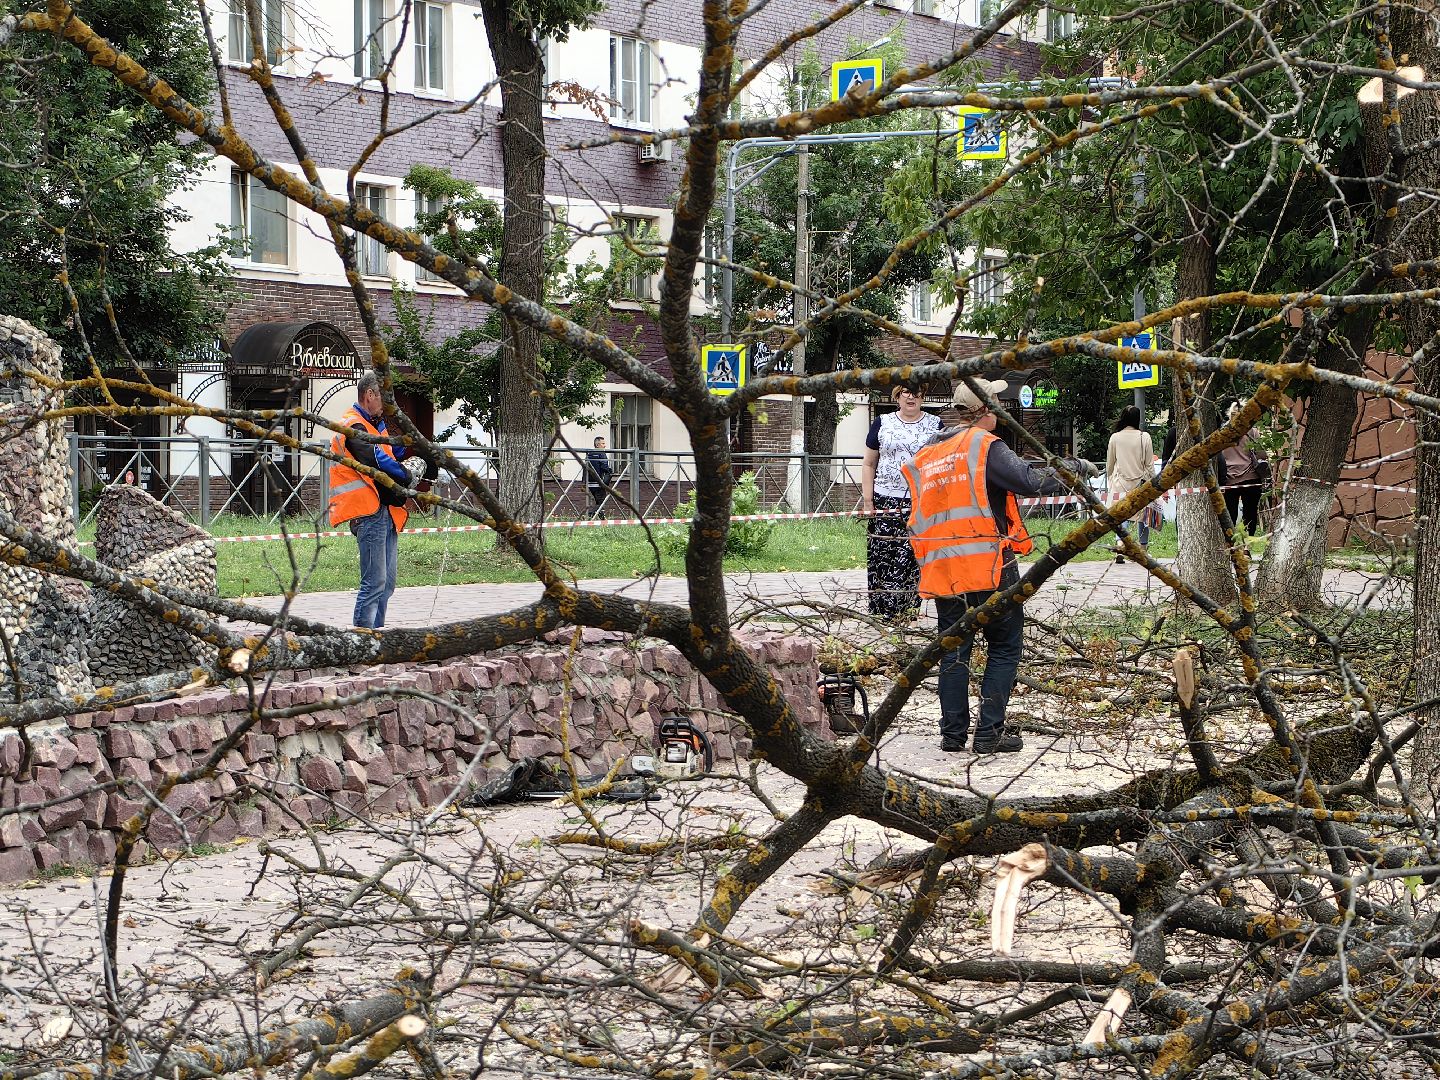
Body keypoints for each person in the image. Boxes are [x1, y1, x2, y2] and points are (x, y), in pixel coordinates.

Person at [904, 379, 1082, 754]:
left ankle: (952, 735)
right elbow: (1031, 481)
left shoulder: (930, 451)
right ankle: (988, 734)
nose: (1002, 406)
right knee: (1004, 646)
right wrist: (1073, 467)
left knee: (953, 650)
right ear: (986, 408)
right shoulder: (983, 445)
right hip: (989, 565)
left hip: (944, 567)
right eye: (997, 400)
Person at [328, 370, 421, 629]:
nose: (389, 403)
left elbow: (396, 451)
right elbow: (375, 458)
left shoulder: (375, 424)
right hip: (367, 512)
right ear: (370, 394)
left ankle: (377, 637)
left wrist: (409, 437)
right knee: (374, 583)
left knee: (387, 584)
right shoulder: (352, 425)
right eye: (385, 397)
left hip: (385, 511)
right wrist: (405, 475)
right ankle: (362, 640)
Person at [861, 386, 942, 621]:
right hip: (884, 499)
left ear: (923, 397)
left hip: (921, 501)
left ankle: (907, 610)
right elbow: (868, 463)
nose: (911, 397)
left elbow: (941, 464)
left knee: (912, 556)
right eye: (906, 392)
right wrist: (868, 500)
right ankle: (884, 611)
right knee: (884, 554)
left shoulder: (936, 425)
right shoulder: (882, 423)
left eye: (917, 393)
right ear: (897, 395)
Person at [1105, 404, 1158, 559]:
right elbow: (1149, 465)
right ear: (1138, 419)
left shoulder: (1115, 437)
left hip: (1119, 483)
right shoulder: (1144, 437)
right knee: (1143, 516)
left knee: (1121, 514)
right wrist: (1155, 482)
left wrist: (1110, 478)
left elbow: (1110, 464)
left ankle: (1120, 545)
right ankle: (1142, 549)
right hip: (1140, 482)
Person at [1217, 401, 1269, 536]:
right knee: (1250, 514)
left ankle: (1230, 542)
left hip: (1228, 479)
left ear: (1230, 414)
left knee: (1230, 514)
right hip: (1251, 478)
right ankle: (1247, 543)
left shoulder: (1222, 432)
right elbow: (1261, 455)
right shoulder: (1252, 432)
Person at [585, 436, 614, 517]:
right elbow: (604, 467)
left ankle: (602, 519)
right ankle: (590, 515)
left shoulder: (589, 454)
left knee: (598, 501)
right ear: (597, 445)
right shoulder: (601, 453)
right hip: (599, 482)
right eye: (603, 443)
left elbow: (585, 467)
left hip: (590, 482)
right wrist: (609, 471)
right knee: (601, 502)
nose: (605, 445)